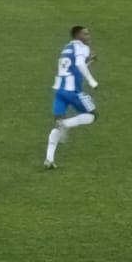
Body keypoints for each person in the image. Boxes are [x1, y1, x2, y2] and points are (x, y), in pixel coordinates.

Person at [44, 25, 99, 170]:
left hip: (59, 91)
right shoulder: (82, 47)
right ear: (78, 36)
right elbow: (80, 64)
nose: (88, 37)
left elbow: (75, 66)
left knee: (57, 124)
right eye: (85, 34)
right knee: (92, 115)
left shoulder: (66, 48)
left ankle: (49, 159)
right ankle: (66, 124)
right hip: (73, 91)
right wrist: (92, 81)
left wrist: (90, 61)